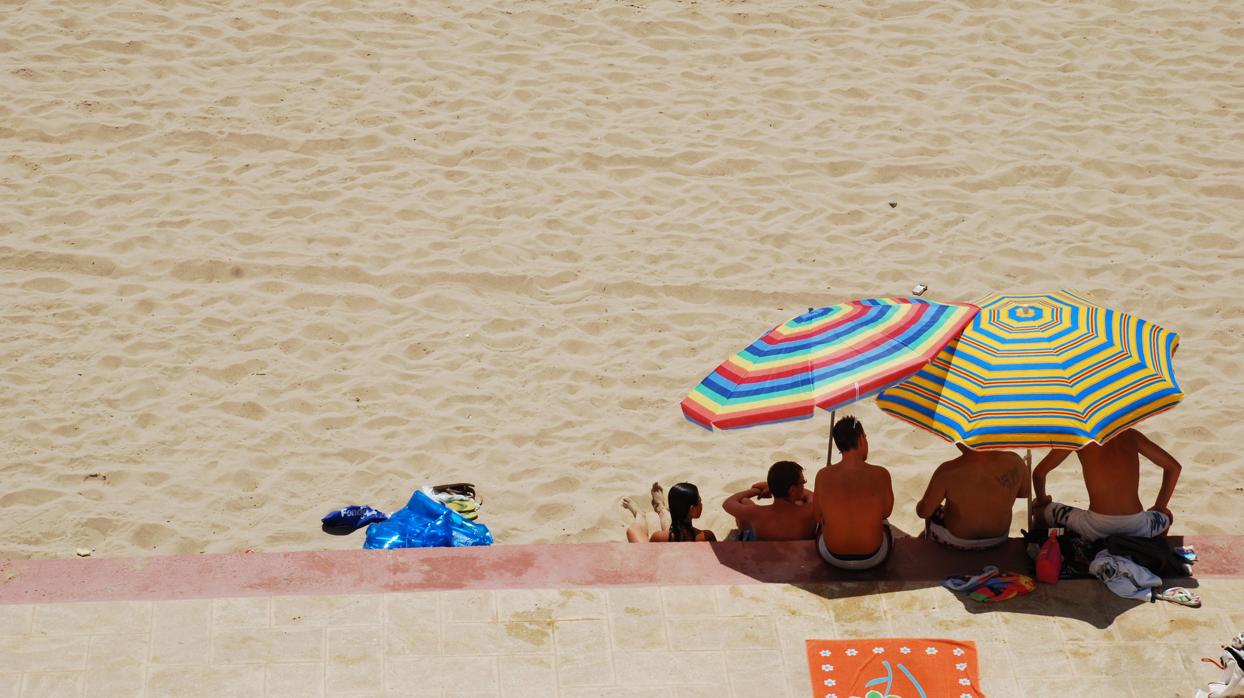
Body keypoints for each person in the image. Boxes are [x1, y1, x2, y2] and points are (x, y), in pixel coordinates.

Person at [1032, 428, 1181, 541]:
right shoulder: (1131, 435)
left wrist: (1042, 500)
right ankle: (1150, 548)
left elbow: (1039, 474)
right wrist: (1159, 507)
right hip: (1137, 526)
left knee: (1040, 512)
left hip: (1095, 527)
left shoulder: (1079, 437)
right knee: (1166, 516)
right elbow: (1174, 468)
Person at [812, 416, 894, 570]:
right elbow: (886, 513)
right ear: (861, 439)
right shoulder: (881, 474)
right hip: (874, 557)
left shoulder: (823, 475)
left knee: (821, 524)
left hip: (833, 556)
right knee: (886, 525)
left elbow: (818, 516)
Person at [916, 444, 1029, 550]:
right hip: (998, 538)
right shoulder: (1016, 461)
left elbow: (923, 512)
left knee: (933, 512)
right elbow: (1024, 493)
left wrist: (919, 505)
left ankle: (929, 545)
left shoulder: (946, 471)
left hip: (957, 540)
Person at [722, 460, 817, 541]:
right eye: (803, 482)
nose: (804, 485)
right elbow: (811, 495)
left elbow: (728, 502)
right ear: (792, 490)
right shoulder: (809, 510)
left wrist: (756, 491)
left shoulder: (757, 514)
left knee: (745, 501)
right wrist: (771, 487)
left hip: (765, 554)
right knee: (800, 502)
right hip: (798, 556)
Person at [623, 482, 716, 543]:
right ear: (692, 510)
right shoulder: (707, 537)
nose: (701, 503)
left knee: (633, 530)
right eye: (700, 501)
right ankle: (661, 508)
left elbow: (650, 556)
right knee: (674, 535)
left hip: (668, 543)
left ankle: (640, 514)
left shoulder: (658, 537)